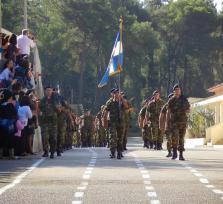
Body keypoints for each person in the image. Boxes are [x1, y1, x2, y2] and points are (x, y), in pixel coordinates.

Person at [166, 84, 190, 160]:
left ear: (180, 91)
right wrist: (167, 123)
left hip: (183, 122)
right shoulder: (171, 100)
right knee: (174, 137)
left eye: (178, 90)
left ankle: (181, 154)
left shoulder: (184, 100)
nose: (177, 91)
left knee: (181, 138)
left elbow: (188, 110)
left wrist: (187, 113)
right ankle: (175, 152)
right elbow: (168, 112)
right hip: (174, 123)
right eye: (176, 90)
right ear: (174, 91)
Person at [103, 89, 128, 159]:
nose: (117, 94)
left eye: (118, 93)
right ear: (112, 94)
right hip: (112, 122)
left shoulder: (122, 101)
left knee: (120, 138)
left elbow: (126, 107)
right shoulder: (110, 102)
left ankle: (119, 152)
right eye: (115, 93)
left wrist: (122, 98)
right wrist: (105, 122)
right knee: (112, 137)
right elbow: (106, 113)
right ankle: (112, 152)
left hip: (121, 122)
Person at [39, 86, 59, 159]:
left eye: (50, 90)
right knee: (45, 137)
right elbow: (40, 110)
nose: (48, 92)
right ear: (45, 91)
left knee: (53, 138)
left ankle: (52, 152)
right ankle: (46, 151)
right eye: (47, 90)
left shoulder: (55, 100)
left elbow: (58, 110)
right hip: (45, 122)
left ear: (52, 91)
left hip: (53, 122)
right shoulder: (42, 100)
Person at [0, 89, 17, 159]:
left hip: (1, 125)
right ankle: (11, 155)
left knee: (1, 139)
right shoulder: (10, 105)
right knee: (10, 139)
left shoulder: (0, 105)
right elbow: (15, 115)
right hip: (10, 125)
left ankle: (0, 154)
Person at [159, 93, 174, 157]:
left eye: (172, 97)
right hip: (167, 125)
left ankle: (174, 151)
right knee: (169, 139)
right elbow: (161, 116)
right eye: (170, 97)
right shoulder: (165, 106)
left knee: (175, 139)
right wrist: (160, 125)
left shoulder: (177, 105)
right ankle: (169, 151)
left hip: (175, 125)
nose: (171, 98)